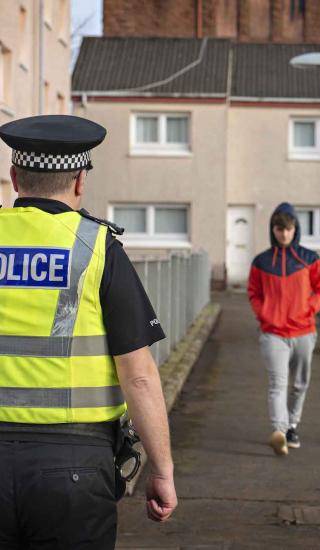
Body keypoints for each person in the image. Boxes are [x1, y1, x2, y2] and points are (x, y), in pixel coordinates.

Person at [0, 114, 177, 549]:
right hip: (74, 467)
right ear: (80, 180)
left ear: (14, 177)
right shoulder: (98, 249)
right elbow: (138, 374)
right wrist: (162, 471)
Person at [248, 203, 320, 455]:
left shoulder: (309, 259)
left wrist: (309, 308)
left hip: (304, 332)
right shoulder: (261, 262)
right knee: (278, 383)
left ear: (296, 229)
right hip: (274, 335)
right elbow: (254, 293)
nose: (284, 234)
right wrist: (265, 314)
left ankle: (292, 425)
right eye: (279, 229)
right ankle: (280, 431)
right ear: (272, 230)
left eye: (288, 229)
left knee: (300, 384)